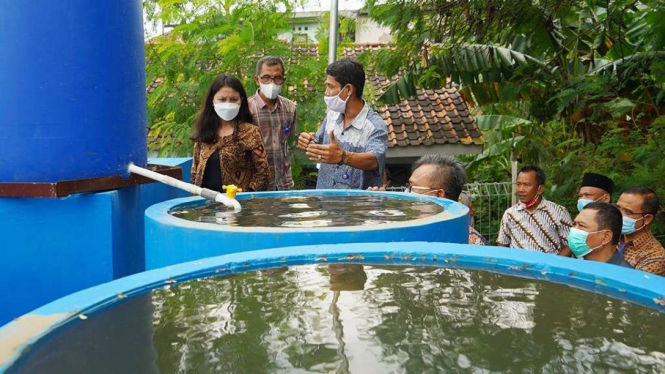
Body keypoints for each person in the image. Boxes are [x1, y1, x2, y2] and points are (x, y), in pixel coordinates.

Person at [297, 58, 388, 189]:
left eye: (330, 86)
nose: (326, 92)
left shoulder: (374, 126)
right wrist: (308, 141)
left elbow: (374, 160)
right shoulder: (331, 116)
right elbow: (318, 145)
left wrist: (343, 156)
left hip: (355, 207)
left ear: (348, 89)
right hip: (325, 204)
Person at [369, 154, 487, 245]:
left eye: (413, 187)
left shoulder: (468, 242)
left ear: (439, 195)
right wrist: (376, 213)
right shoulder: (413, 227)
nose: (407, 193)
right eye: (408, 186)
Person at [190, 73, 270, 192]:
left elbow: (263, 174)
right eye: (222, 99)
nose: (227, 104)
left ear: (241, 101)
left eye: (233, 99)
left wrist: (247, 199)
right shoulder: (204, 132)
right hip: (205, 205)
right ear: (212, 100)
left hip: (238, 205)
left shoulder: (250, 133)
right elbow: (195, 172)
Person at [497, 165, 573, 254]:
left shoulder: (559, 212)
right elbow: (502, 244)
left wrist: (553, 264)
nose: (521, 189)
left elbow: (569, 245)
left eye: (527, 185)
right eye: (518, 184)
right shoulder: (510, 214)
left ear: (540, 189)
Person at [248, 56, 297, 191]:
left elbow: (290, 140)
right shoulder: (246, 109)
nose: (272, 82)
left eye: (277, 78)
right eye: (266, 77)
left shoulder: (290, 107)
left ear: (283, 80)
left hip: (284, 184)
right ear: (257, 80)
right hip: (257, 186)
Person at [616, 187, 665, 275]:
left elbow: (628, 285)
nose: (618, 215)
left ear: (647, 219)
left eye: (628, 212)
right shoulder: (610, 235)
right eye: (618, 208)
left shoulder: (656, 258)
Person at [568, 202, 632, 267]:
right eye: (574, 224)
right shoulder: (576, 263)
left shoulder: (623, 275)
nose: (574, 230)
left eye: (581, 225)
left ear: (605, 237)